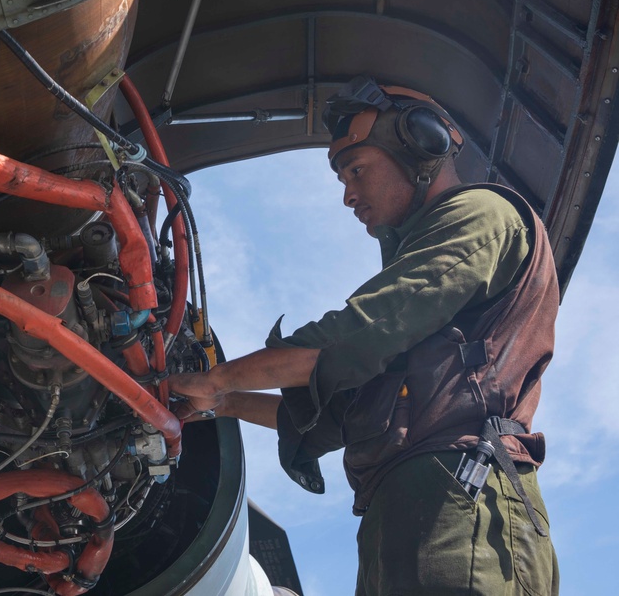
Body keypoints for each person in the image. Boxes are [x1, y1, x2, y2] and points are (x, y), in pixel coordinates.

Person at [170, 76, 560, 595]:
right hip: (404, 514)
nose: (349, 196)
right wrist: (222, 403)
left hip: (463, 507)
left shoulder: (484, 216)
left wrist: (216, 378)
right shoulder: (424, 326)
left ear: (423, 147)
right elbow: (336, 414)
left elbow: (356, 335)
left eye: (357, 170)